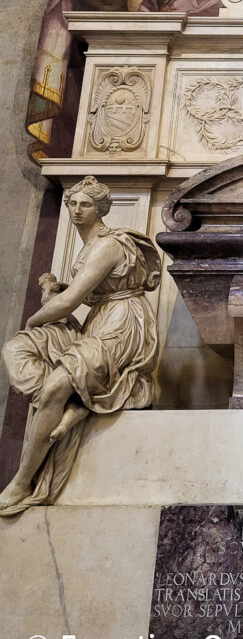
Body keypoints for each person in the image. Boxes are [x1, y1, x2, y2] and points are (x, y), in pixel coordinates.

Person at [0, 176, 160, 515]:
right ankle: (73, 406)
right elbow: (83, 293)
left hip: (123, 326)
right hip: (99, 321)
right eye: (72, 203)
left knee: (56, 376)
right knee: (17, 348)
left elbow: (71, 302)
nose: (76, 210)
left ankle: (21, 481)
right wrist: (56, 290)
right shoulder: (89, 246)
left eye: (85, 204)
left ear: (100, 208)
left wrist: (35, 318)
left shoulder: (107, 244)